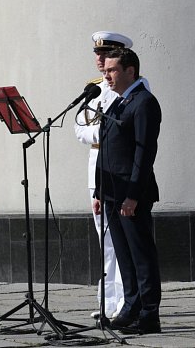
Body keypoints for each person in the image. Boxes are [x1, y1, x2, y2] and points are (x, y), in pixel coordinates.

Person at [93, 48, 162, 335]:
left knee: (141, 255)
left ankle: (149, 314)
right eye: (106, 70)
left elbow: (144, 154)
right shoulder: (118, 102)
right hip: (112, 192)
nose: (106, 75)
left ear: (130, 71)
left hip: (131, 194)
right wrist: (99, 191)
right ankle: (131, 306)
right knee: (124, 255)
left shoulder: (143, 102)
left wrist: (133, 195)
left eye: (112, 70)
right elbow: (107, 150)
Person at [74, 31, 135, 320]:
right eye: (97, 54)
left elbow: (127, 126)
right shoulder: (94, 89)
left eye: (106, 54)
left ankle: (125, 300)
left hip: (119, 166)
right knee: (105, 239)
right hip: (96, 166)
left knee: (121, 239)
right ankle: (107, 300)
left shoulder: (129, 87)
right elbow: (79, 128)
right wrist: (103, 133)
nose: (99, 59)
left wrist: (104, 132)